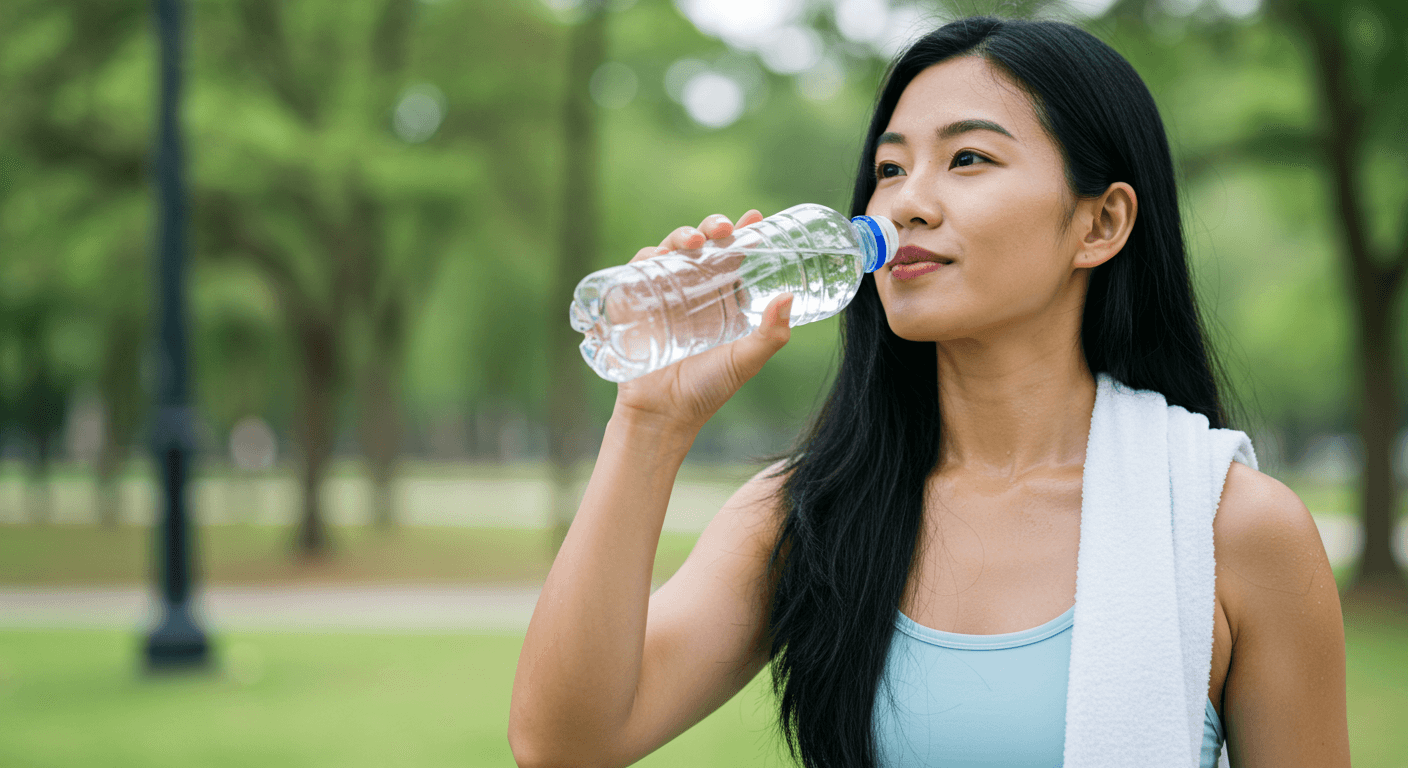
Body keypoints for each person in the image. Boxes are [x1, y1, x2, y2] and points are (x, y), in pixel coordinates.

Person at [508, 16, 1350, 768]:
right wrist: (648, 423)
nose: (907, 201)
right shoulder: (811, 513)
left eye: (968, 159)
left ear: (1101, 224)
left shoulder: (1230, 528)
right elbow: (564, 745)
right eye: (889, 167)